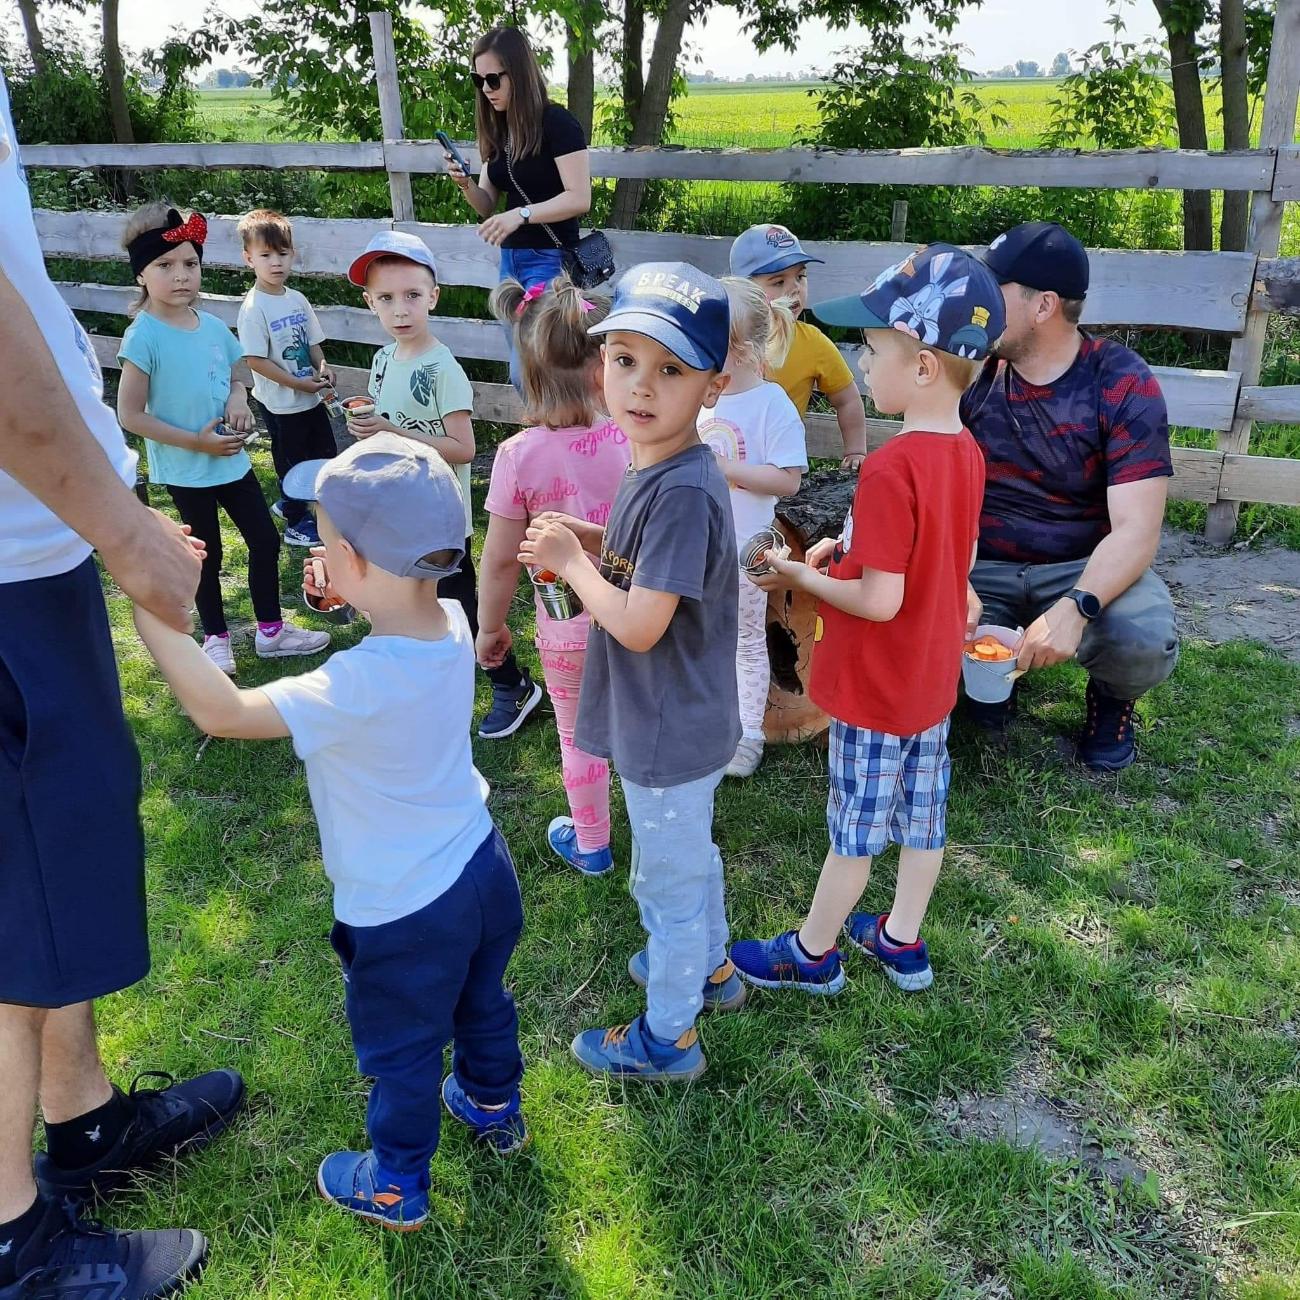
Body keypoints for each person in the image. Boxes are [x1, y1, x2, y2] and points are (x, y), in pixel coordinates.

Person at [133, 434, 529, 1233]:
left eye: (322, 538)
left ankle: (395, 1184)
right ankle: (492, 1105)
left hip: (403, 908)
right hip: (484, 871)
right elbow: (396, 603)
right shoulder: (448, 619)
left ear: (352, 558)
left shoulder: (350, 683)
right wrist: (352, 589)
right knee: (483, 1001)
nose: (314, 547)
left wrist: (154, 610)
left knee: (403, 1052)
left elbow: (219, 712)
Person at [0, 72, 244, 1299]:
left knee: (58, 852)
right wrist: (124, 528)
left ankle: (82, 1116)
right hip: (8, 555)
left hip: (28, 544)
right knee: (14, 891)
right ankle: (12, 1241)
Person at [729, 245, 1004, 997]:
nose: (860, 359)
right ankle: (900, 939)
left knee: (855, 829)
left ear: (921, 367)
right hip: (930, 684)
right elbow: (947, 554)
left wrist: (796, 572)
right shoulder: (967, 452)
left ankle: (810, 954)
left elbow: (881, 600)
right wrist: (842, 547)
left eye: (873, 346)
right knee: (923, 820)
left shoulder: (891, 466)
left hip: (880, 689)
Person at [521, 262, 747, 1081]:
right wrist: (585, 536)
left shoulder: (682, 488)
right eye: (624, 360)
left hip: (667, 730)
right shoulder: (656, 464)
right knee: (693, 860)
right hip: (682, 719)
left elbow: (641, 624)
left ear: (713, 386)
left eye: (671, 370)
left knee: (667, 888)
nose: (640, 387)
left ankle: (669, 1037)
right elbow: (636, 556)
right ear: (599, 363)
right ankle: (713, 969)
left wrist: (568, 569)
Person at [964, 222, 1179, 771]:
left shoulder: (1121, 382)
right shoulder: (970, 365)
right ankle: (989, 674)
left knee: (1142, 636)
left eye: (996, 289)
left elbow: (1137, 529)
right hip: (980, 561)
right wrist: (947, 579)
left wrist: (1078, 606)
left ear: (1044, 306)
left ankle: (1110, 702)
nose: (980, 303)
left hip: (1078, 565)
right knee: (897, 602)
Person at [116, 202, 330, 676]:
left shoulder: (212, 326)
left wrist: (238, 399)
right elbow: (129, 415)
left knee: (265, 541)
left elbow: (236, 376)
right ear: (141, 275)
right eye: (165, 266)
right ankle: (215, 638)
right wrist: (196, 443)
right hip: (187, 468)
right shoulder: (142, 337)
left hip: (231, 461)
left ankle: (271, 631)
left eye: (190, 264)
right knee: (205, 556)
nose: (181, 276)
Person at [348, 230, 543, 738]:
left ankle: (512, 685)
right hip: (399, 508)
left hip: (441, 513)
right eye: (386, 298)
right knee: (410, 602)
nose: (400, 310)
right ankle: (424, 687)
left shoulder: (443, 369)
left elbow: (462, 449)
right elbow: (385, 421)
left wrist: (391, 430)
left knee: (462, 605)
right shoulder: (383, 360)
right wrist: (368, 431)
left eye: (412, 295)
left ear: (433, 296)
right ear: (369, 303)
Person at [478, 274, 630, 876]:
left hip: (567, 630)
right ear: (604, 365)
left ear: (529, 372)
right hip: (638, 615)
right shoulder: (634, 435)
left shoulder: (518, 456)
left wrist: (491, 629)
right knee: (639, 724)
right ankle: (657, 829)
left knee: (577, 736)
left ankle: (591, 843)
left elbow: (497, 561)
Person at [698, 277, 805, 778]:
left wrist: (725, 471)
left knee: (743, 639)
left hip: (746, 548)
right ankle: (706, 722)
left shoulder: (772, 405)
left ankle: (749, 736)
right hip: (697, 543)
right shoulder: (701, 398)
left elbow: (788, 481)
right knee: (696, 633)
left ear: (736, 348)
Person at [444, 26, 592, 386]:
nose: (486, 90)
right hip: (511, 265)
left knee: (536, 370)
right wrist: (464, 182)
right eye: (478, 81)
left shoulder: (557, 122)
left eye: (493, 79)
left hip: (551, 259)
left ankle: (564, 437)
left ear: (520, 73)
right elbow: (485, 203)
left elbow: (579, 197)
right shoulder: (498, 129)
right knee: (523, 369)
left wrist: (521, 214)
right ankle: (546, 439)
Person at [236, 207, 339, 549]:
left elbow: (312, 343)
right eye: (265, 255)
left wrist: (321, 367)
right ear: (249, 258)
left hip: (311, 395)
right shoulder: (254, 308)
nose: (275, 263)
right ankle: (296, 520)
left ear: (292, 254)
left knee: (324, 450)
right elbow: (255, 360)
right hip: (281, 403)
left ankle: (296, 502)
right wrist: (296, 384)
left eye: (282, 254)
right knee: (292, 459)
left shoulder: (297, 299)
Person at [731, 224, 868, 472]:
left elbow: (847, 399)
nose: (794, 288)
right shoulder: (722, 339)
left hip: (780, 471)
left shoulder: (812, 342)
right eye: (778, 281)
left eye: (801, 276)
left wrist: (855, 451)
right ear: (744, 288)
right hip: (721, 458)